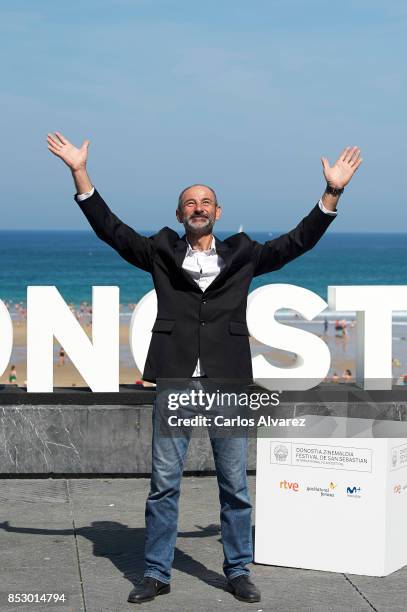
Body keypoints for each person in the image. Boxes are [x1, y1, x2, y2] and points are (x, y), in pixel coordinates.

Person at [47, 131, 362, 606]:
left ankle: (237, 570)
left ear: (218, 213)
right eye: (190, 202)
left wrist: (332, 193)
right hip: (175, 377)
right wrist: (79, 172)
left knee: (234, 484)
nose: (198, 207)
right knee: (163, 484)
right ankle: (156, 573)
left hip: (228, 379)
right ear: (179, 215)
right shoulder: (159, 251)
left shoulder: (245, 254)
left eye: (206, 202)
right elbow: (110, 229)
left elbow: (298, 242)